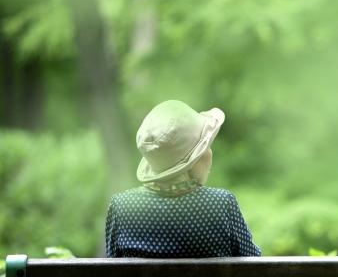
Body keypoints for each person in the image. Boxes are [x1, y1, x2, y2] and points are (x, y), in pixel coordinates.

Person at [105, 100, 261, 258]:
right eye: (205, 147)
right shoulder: (221, 204)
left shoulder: (122, 207)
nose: (210, 153)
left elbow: (110, 275)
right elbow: (254, 268)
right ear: (192, 160)